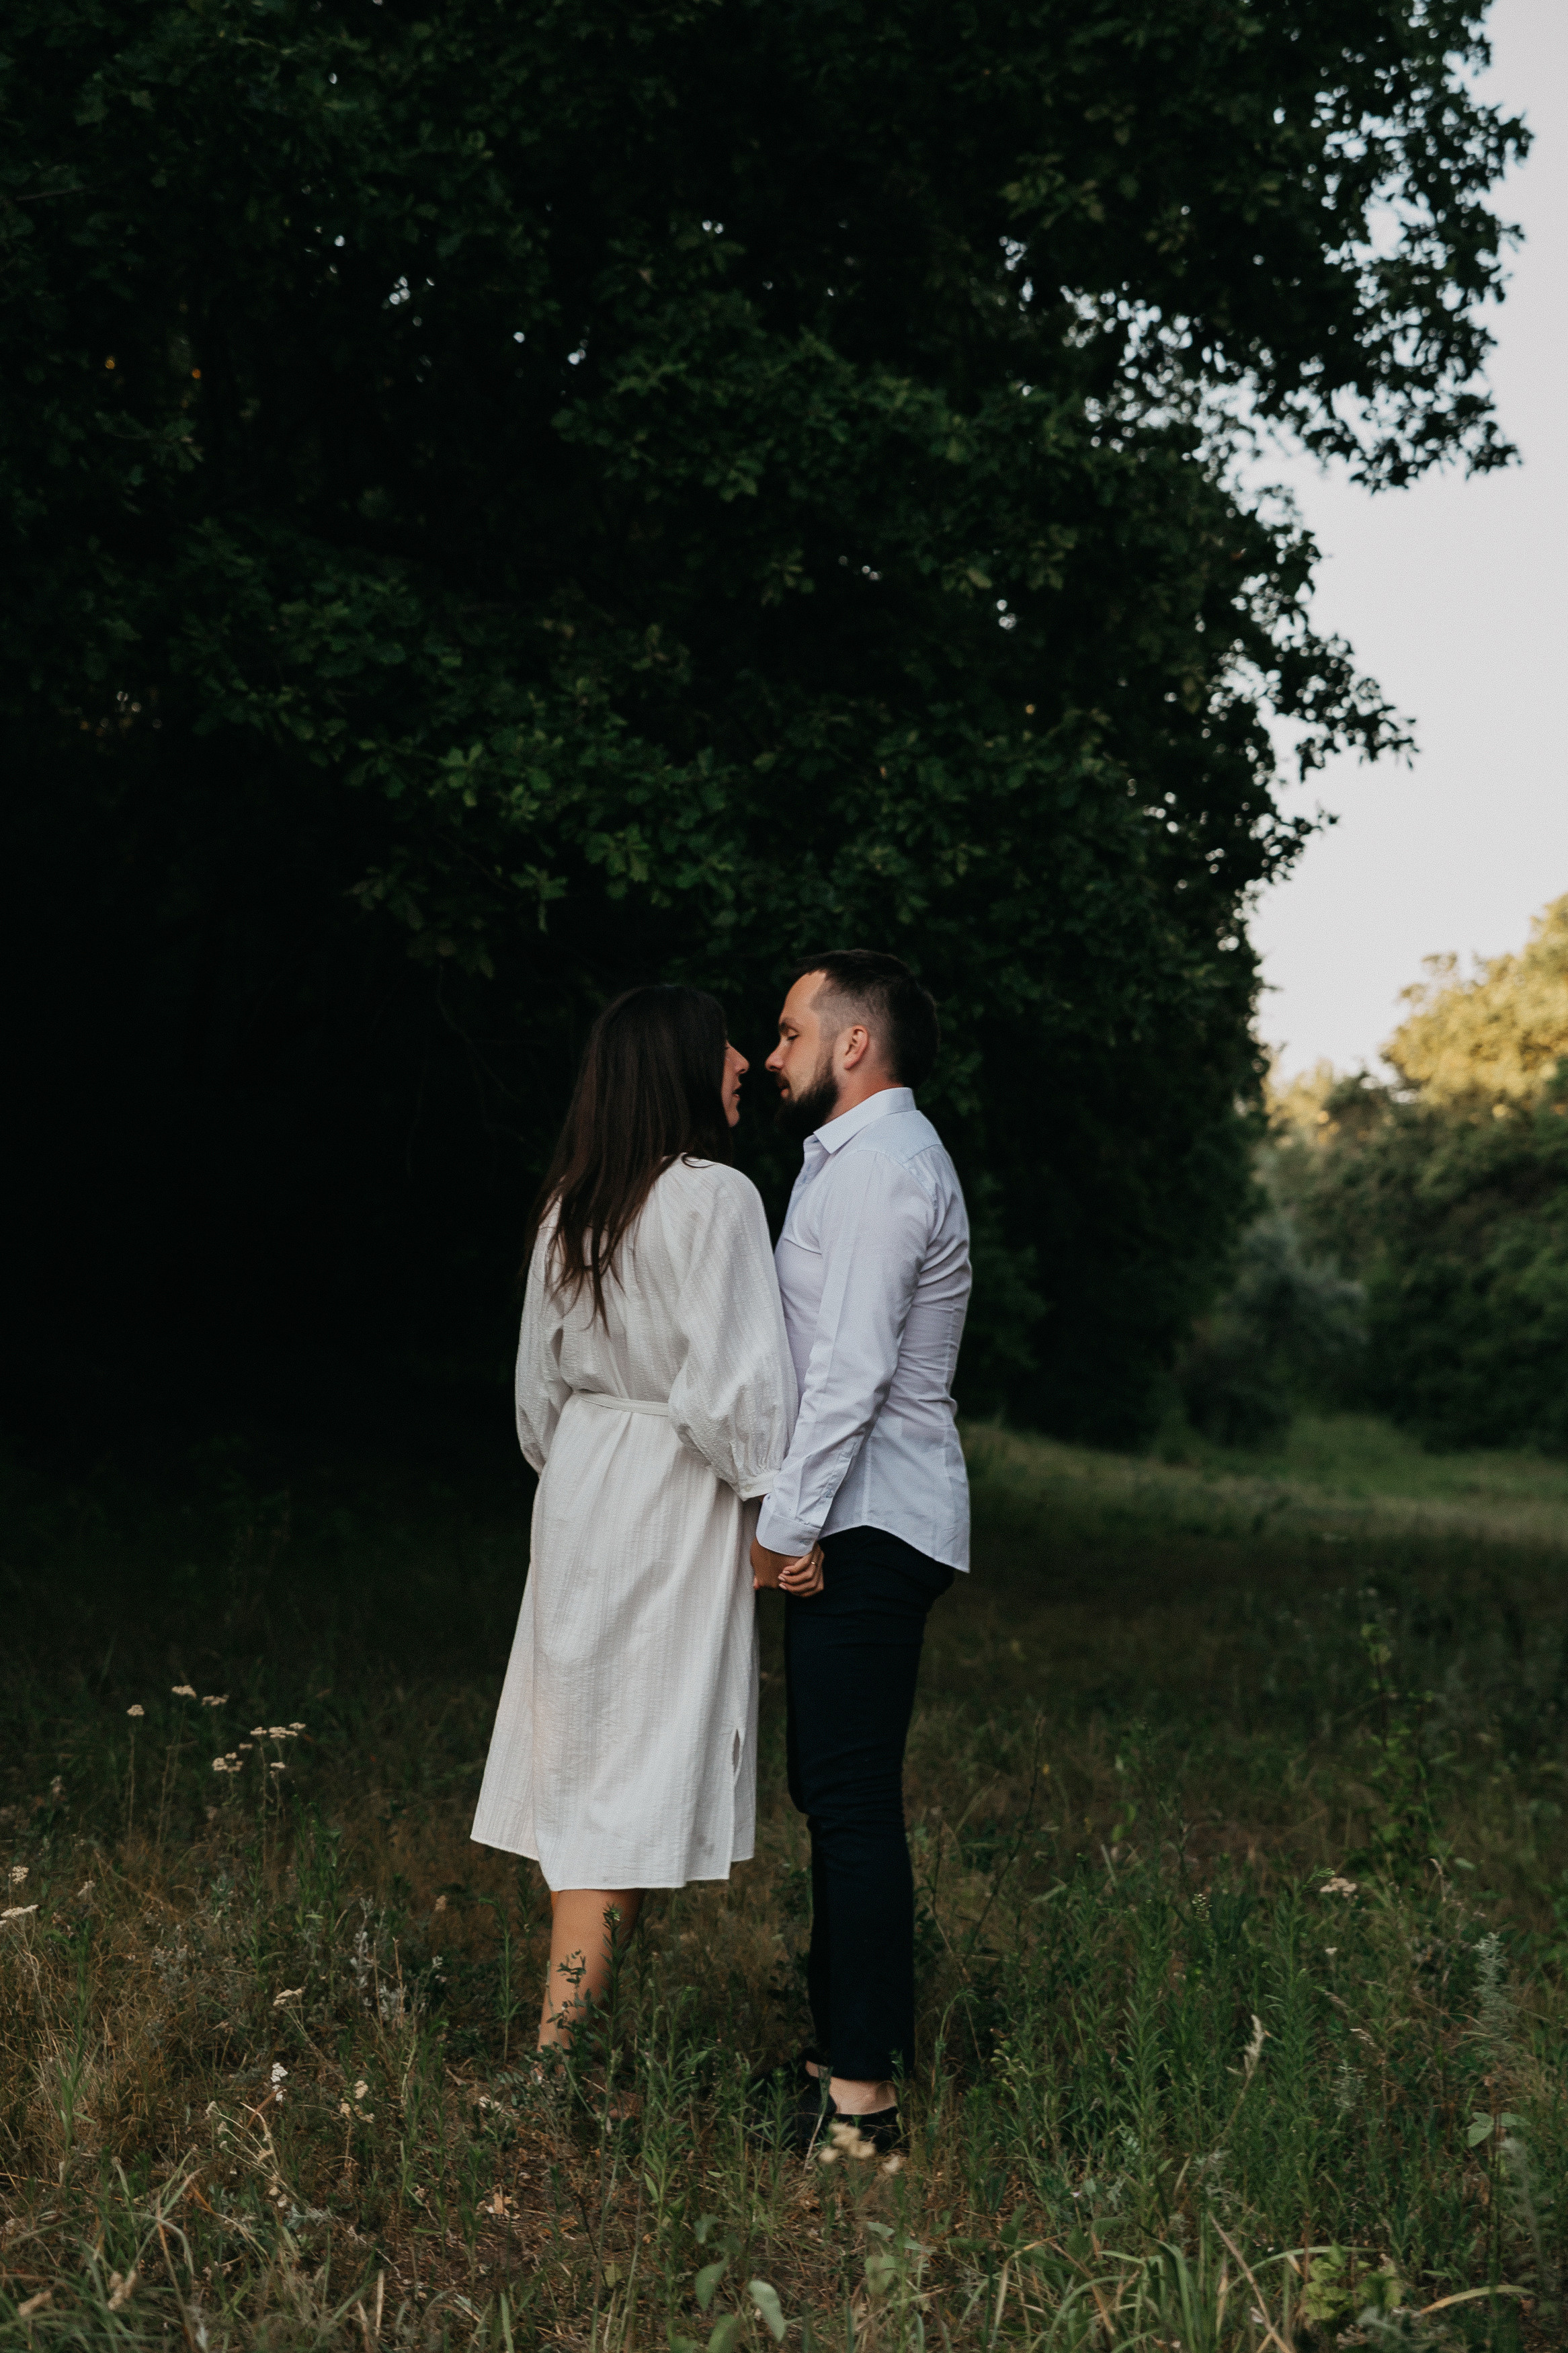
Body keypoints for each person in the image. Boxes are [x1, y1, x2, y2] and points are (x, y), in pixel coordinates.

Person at [470, 984, 822, 2047]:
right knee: (632, 1763)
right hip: (672, 1487)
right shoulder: (715, 1199)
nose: (744, 1062)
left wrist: (584, 1467)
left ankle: (569, 2035)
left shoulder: (571, 1203)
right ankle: (557, 2057)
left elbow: (536, 1397)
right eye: (723, 1044)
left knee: (592, 1750)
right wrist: (774, 1510)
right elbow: (735, 1390)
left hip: (584, 1482)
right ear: (675, 1064)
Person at [750, 951, 971, 2152]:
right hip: (859, 1511)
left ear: (852, 1043)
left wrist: (783, 1529)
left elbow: (851, 1374)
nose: (771, 1053)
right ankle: (834, 2052)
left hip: (871, 1518)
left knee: (849, 1801)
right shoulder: (852, 1161)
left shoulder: (883, 1168)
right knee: (830, 1794)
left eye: (790, 1032)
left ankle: (862, 2109)